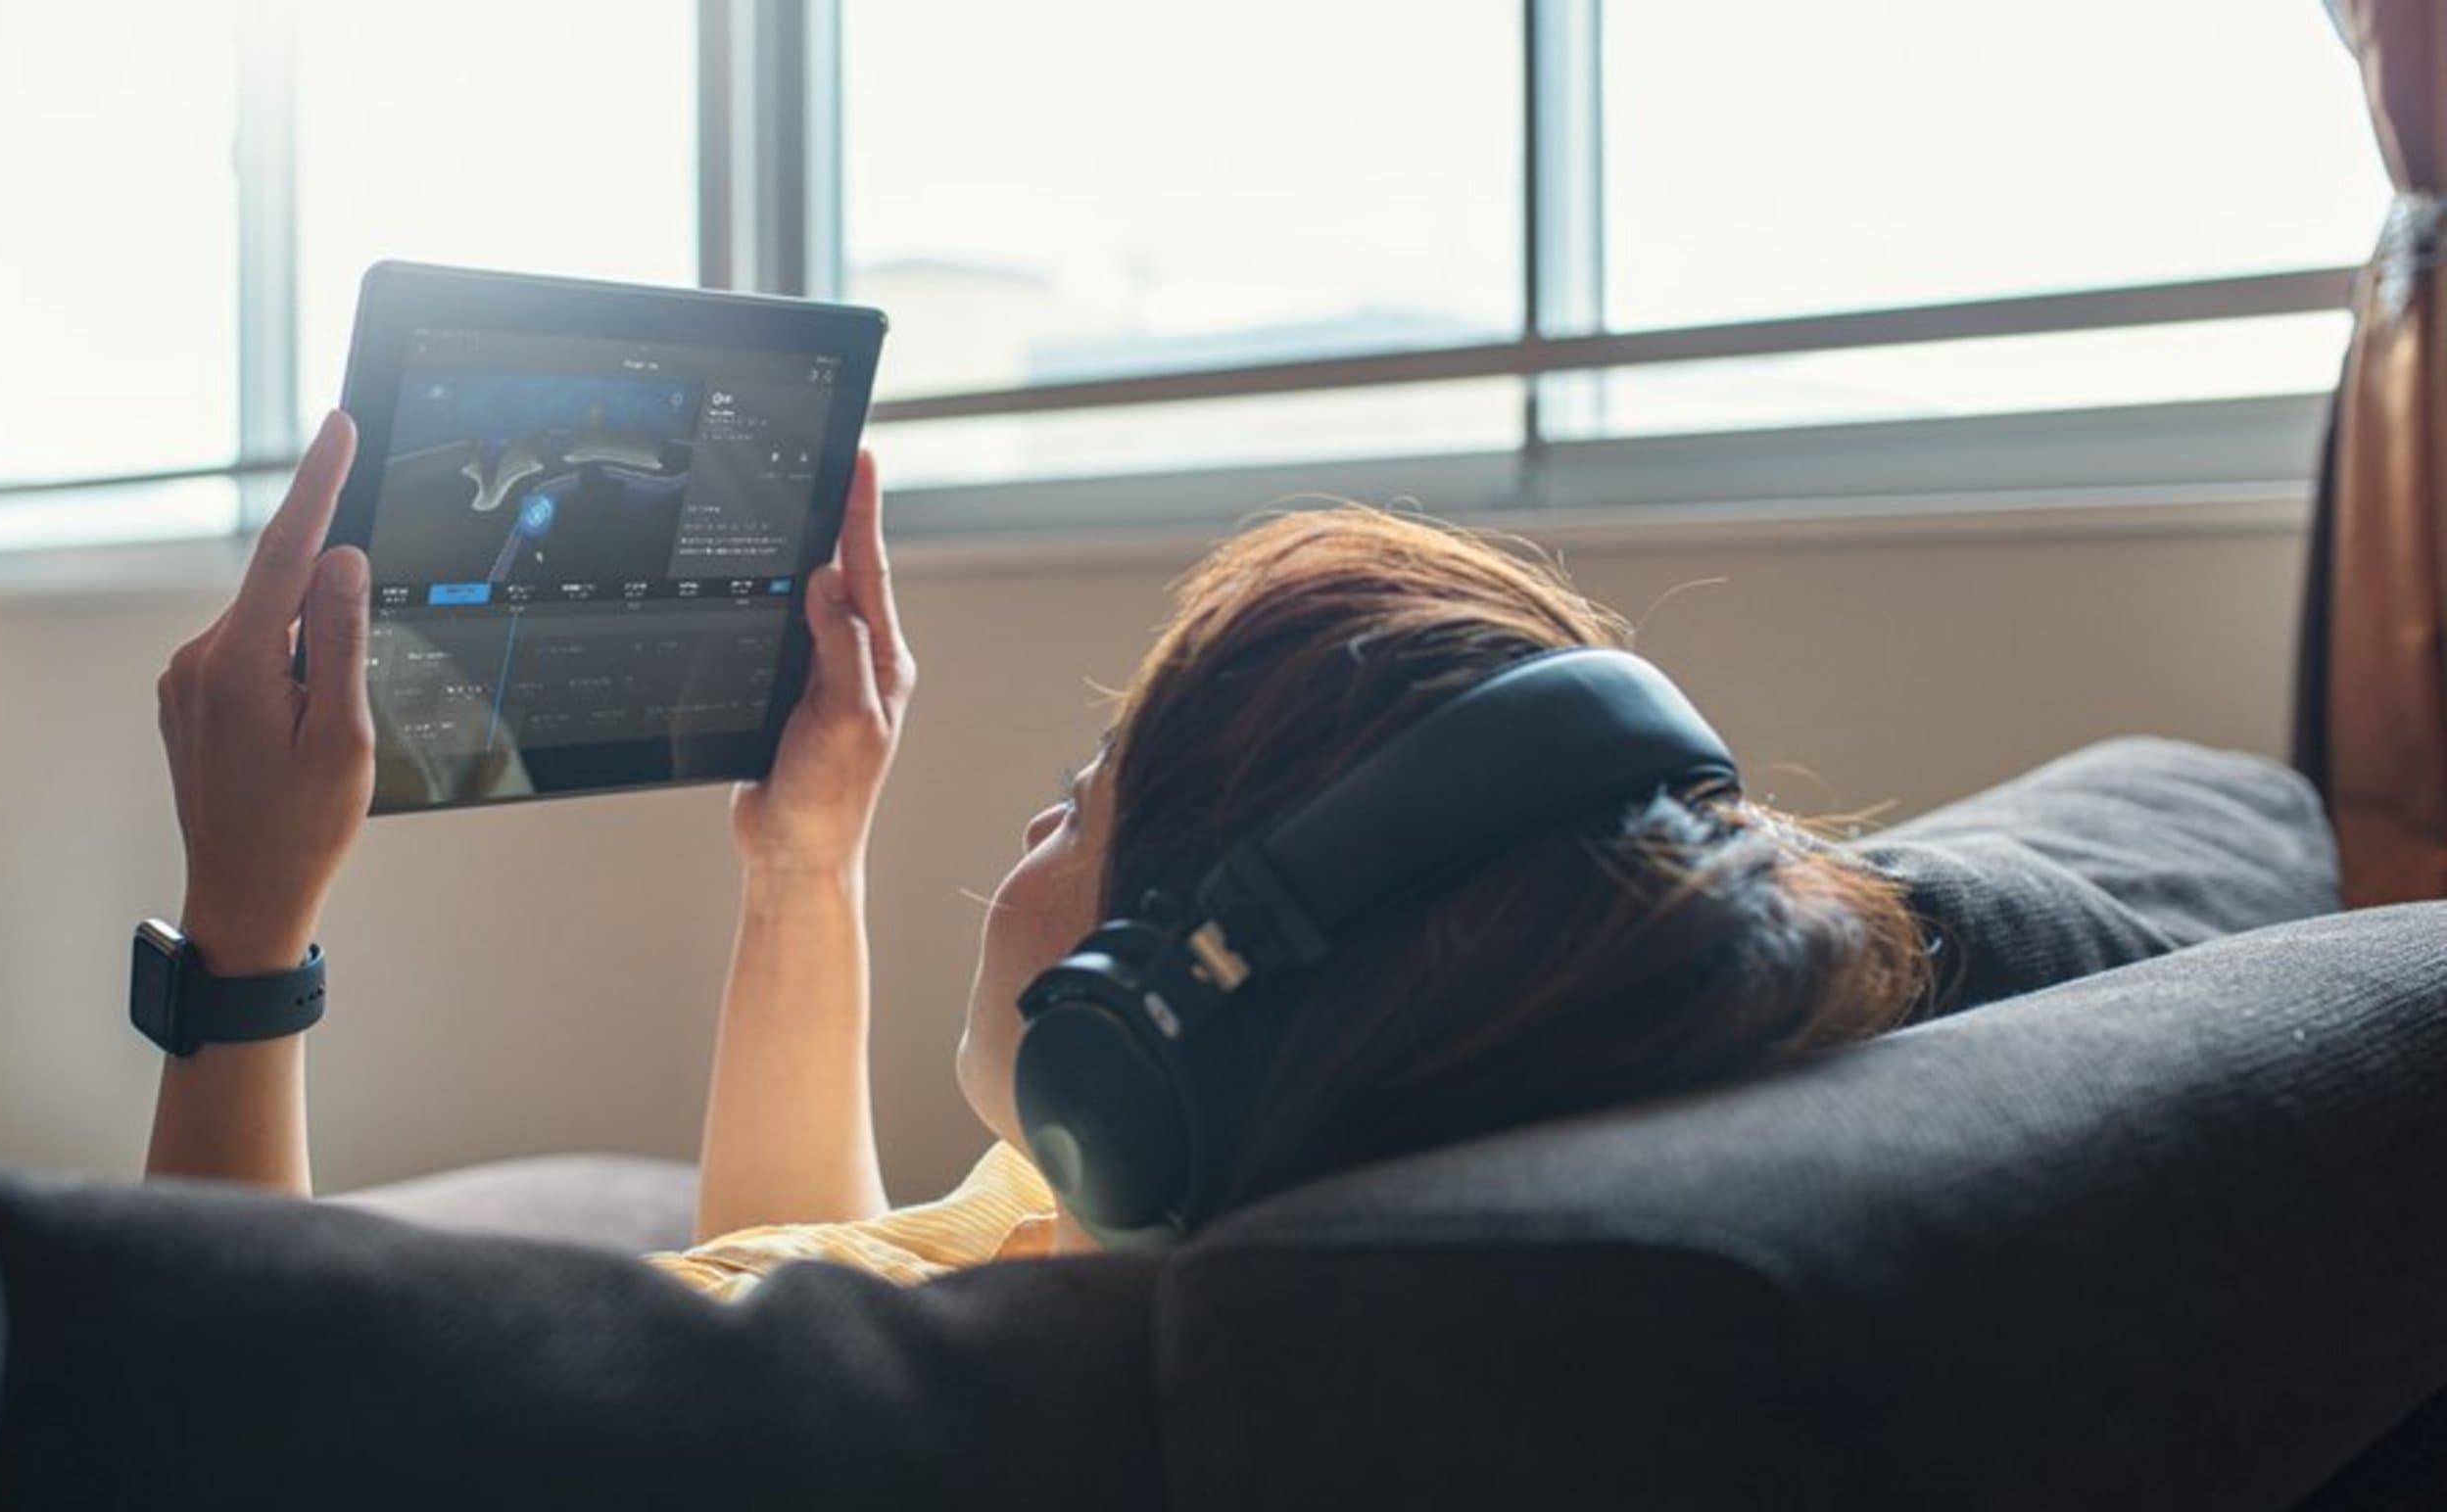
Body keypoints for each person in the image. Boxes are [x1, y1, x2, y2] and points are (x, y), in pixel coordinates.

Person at [147, 412, 1930, 1297]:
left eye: (1085, 806)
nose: (1031, 817)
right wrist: (804, 865)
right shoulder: (1119, 1228)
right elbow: (806, 1266)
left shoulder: (976, 1447)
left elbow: (224, 1453)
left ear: (1143, 1026)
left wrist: (245, 929)